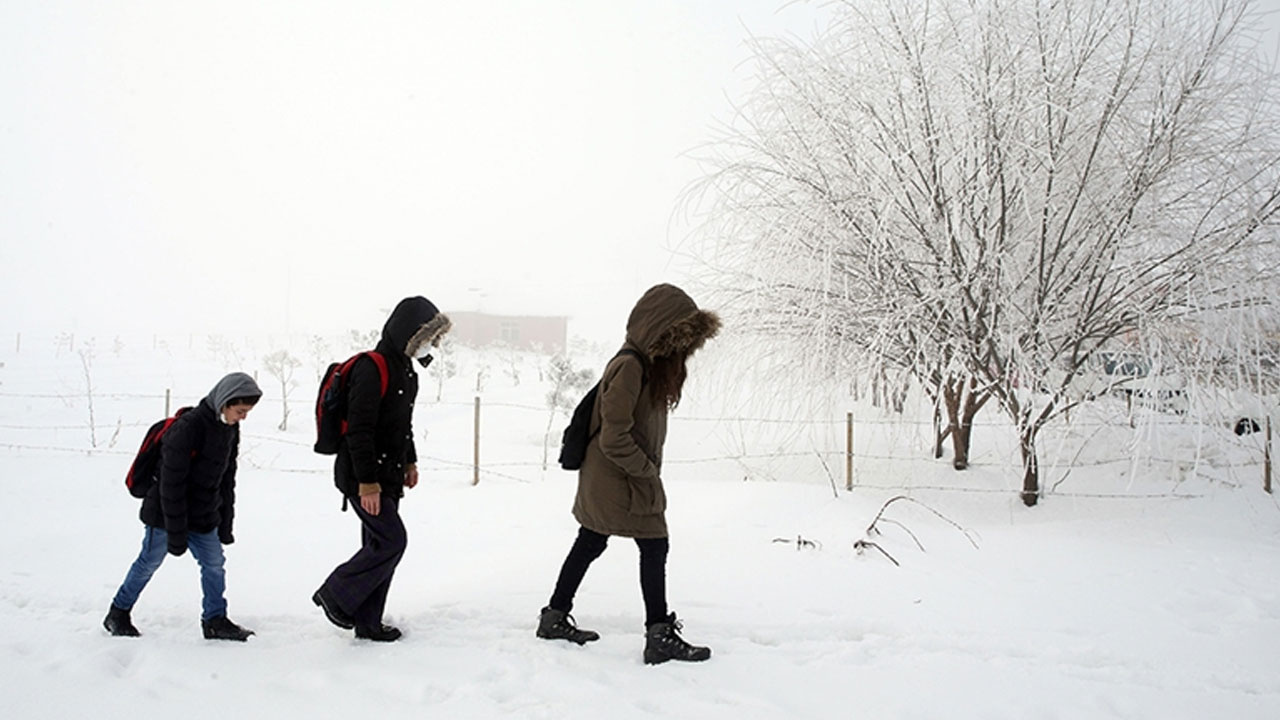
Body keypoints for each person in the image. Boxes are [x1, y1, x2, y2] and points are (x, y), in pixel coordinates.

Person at [537, 283, 720, 664]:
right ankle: (658, 635)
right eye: (678, 340)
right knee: (654, 545)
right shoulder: (630, 367)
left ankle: (554, 616)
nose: (682, 351)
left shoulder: (645, 365)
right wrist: (646, 471)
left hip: (617, 478)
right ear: (660, 331)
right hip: (618, 478)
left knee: (591, 541)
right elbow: (613, 436)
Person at [312, 296, 451, 642]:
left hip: (389, 472)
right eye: (425, 338)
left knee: (379, 545)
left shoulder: (407, 370)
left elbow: (402, 425)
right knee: (392, 541)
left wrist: (410, 460)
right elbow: (359, 431)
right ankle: (335, 594)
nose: (428, 346)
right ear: (406, 333)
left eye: (432, 340)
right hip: (362, 475)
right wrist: (368, 484)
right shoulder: (372, 368)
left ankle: (368, 622)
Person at [103, 372, 263, 641]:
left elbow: (227, 479)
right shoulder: (187, 429)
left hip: (204, 513)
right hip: (165, 513)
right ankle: (117, 613)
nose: (243, 417)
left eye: (247, 412)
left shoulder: (229, 429)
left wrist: (225, 521)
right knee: (148, 563)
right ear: (224, 402)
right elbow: (171, 484)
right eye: (240, 410)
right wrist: (176, 532)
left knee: (214, 564)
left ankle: (215, 620)